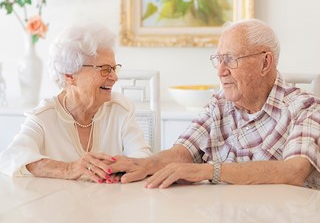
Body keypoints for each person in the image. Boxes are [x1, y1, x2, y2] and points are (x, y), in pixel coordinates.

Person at [107, 18, 320, 189]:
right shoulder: (219, 104)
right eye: (219, 59)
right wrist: (142, 165)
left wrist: (209, 171)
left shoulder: (306, 108)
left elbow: (294, 171)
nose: (220, 71)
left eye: (231, 59)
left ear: (265, 62)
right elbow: (182, 152)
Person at [0, 24, 152, 183]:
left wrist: (122, 168)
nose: (114, 77)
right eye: (105, 69)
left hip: (111, 203)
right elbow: (11, 157)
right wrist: (68, 168)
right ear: (70, 74)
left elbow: (142, 158)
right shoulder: (43, 117)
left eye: (114, 68)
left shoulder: (120, 109)